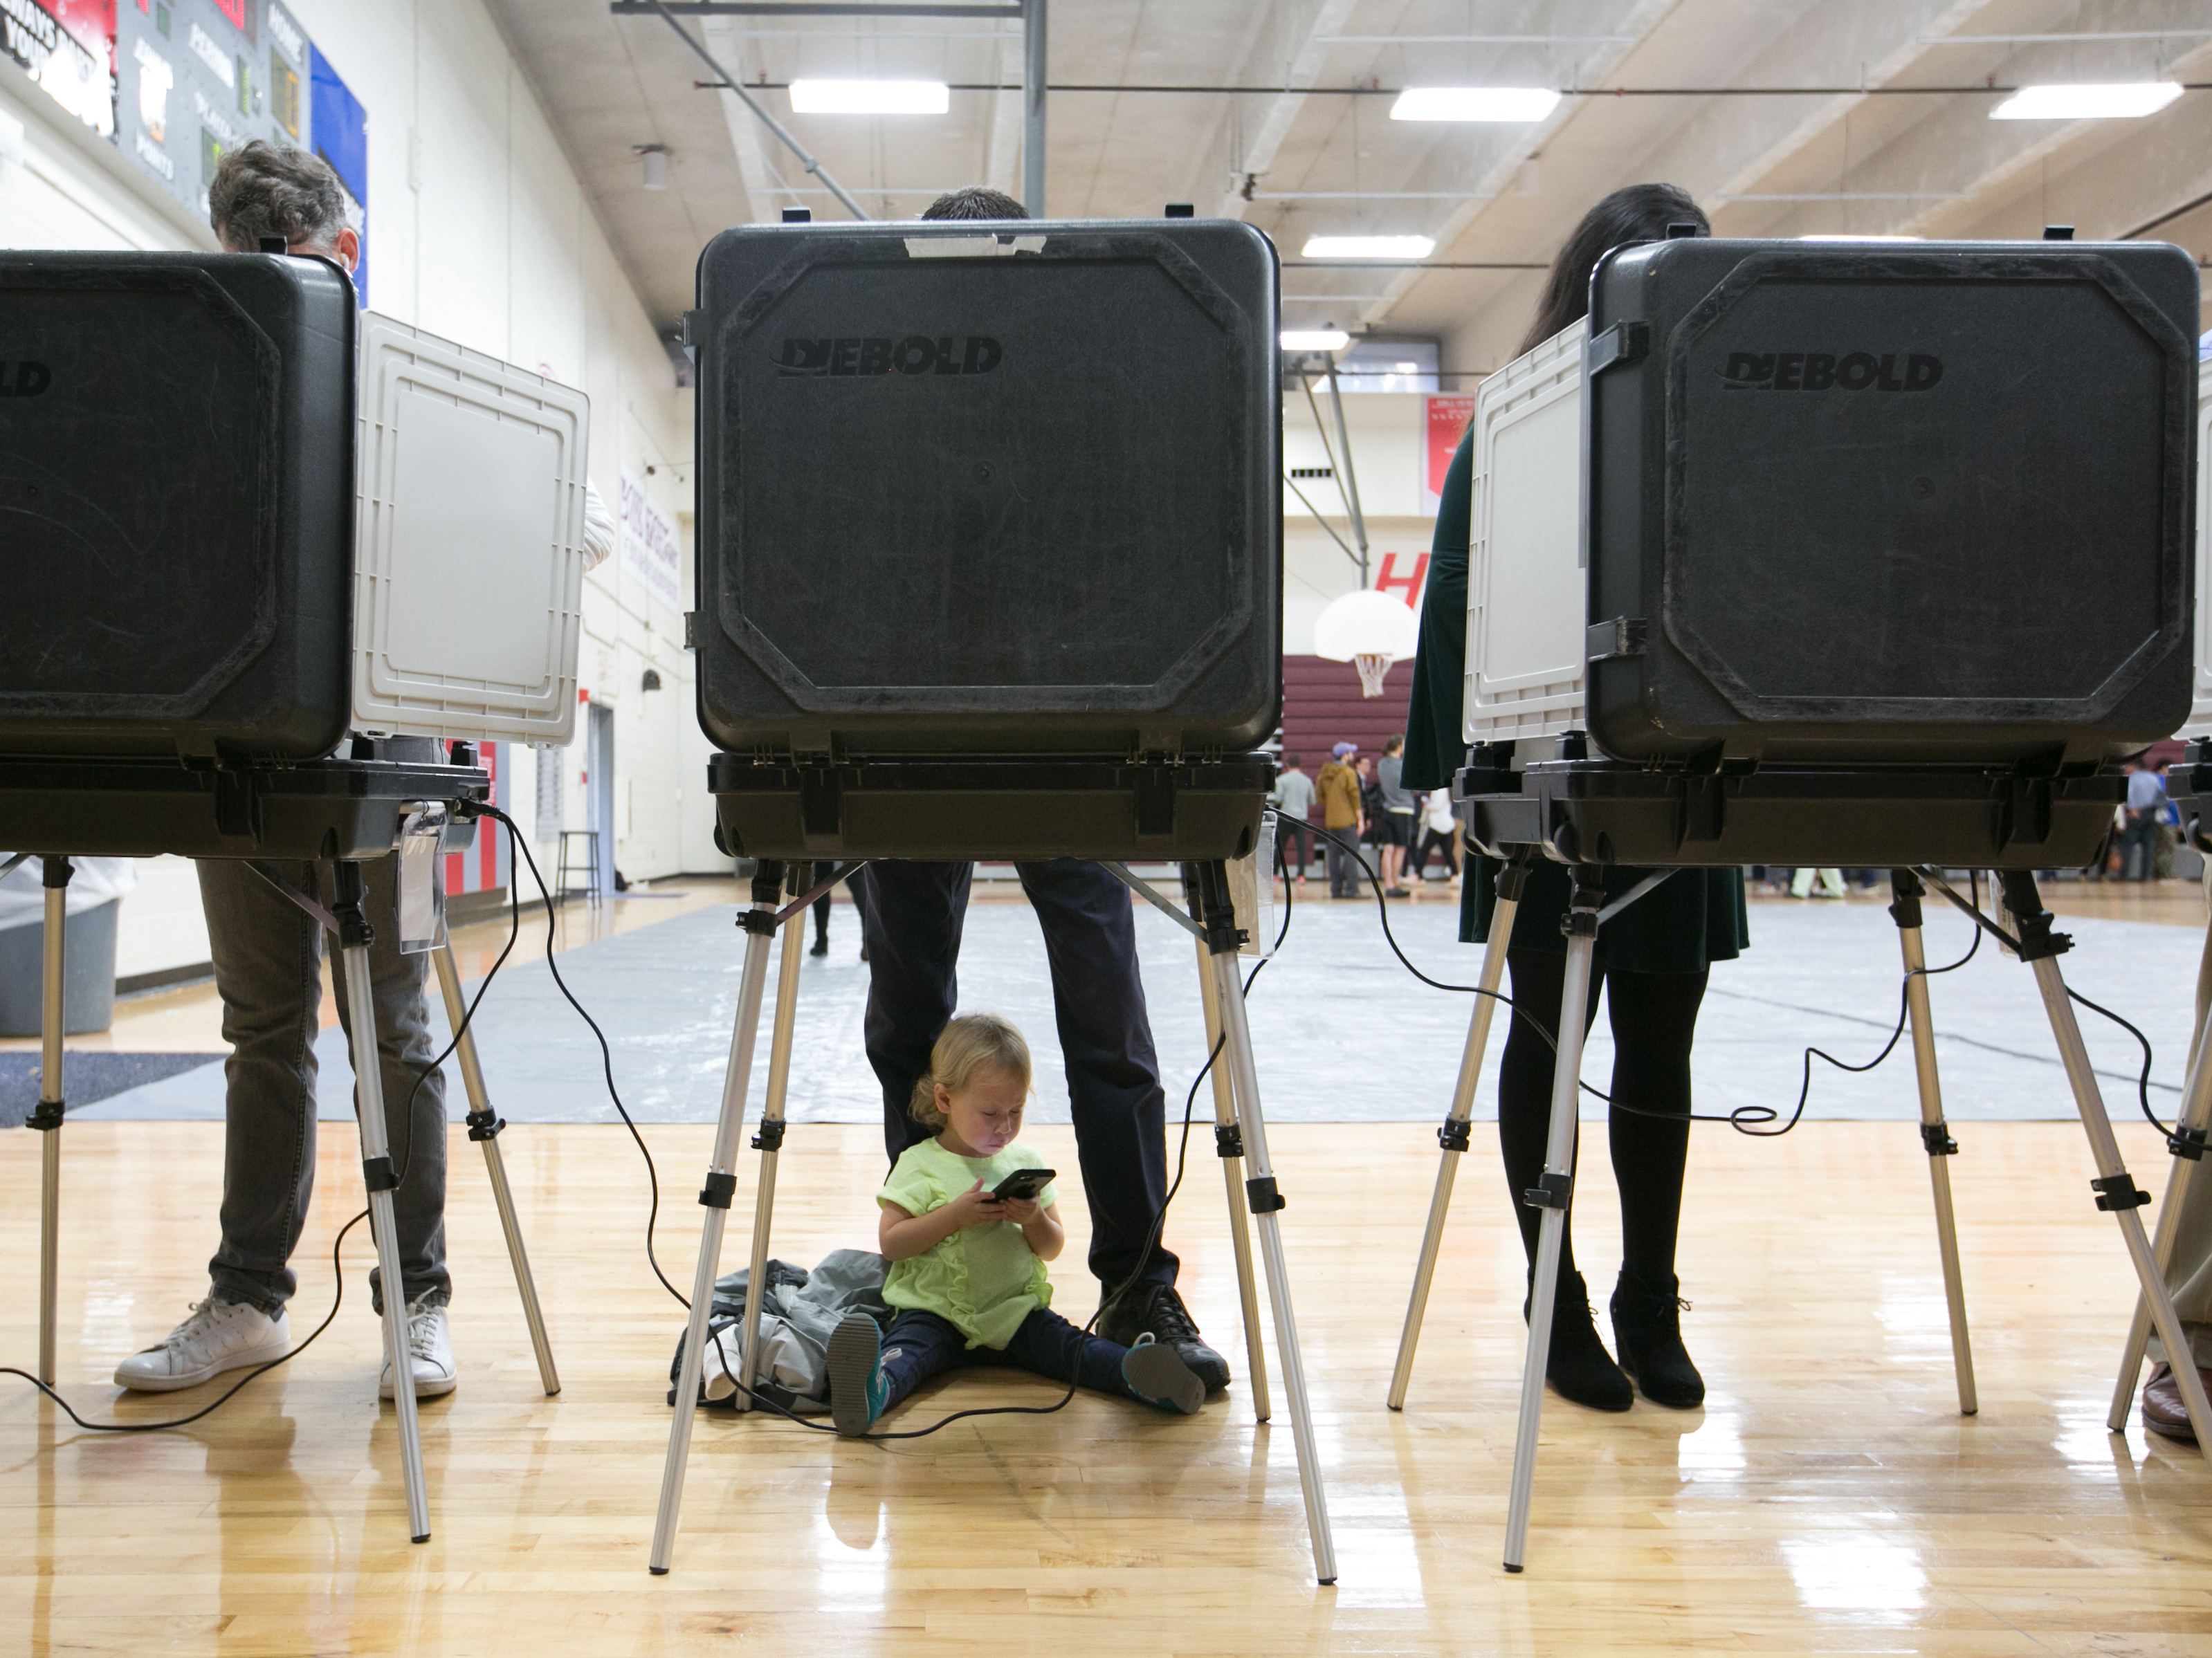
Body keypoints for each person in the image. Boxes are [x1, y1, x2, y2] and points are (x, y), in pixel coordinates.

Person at [112, 141, 617, 1400]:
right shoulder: (207, 389)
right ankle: (247, 1295)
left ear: (343, 255)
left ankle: (419, 1298)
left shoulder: (407, 380)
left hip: (384, 756)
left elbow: (573, 532)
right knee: (261, 1028)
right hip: (240, 744)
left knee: (394, 1030)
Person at [853, 183, 1227, 1394]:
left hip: (1070, 734)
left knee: (1107, 1020)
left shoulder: (1084, 395)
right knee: (908, 1019)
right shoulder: (890, 400)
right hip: (915, 737)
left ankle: (1135, 1275)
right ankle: (927, 1269)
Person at [1400, 181, 1749, 1415]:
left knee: (1661, 1045)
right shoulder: (1519, 420)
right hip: (1543, 782)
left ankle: (1646, 1299)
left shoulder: (1723, 420)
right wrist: (1461, 776)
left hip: (1686, 775)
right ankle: (1555, 1303)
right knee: (1546, 1046)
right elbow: (1453, 596)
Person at [825, 1014, 1207, 1435]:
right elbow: (892, 1244)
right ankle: (872, 1391)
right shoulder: (920, 1163)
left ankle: (1140, 1376)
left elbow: (1051, 1247)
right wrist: (954, 1215)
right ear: (945, 1100)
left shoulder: (1024, 1162)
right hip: (933, 1312)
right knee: (908, 1353)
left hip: (1016, 1312)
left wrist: (1033, 1218)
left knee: (1071, 1347)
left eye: (1016, 1111)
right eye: (989, 1113)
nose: (1004, 1127)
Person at [1317, 742, 1365, 898]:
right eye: (1351, 753)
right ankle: (1352, 889)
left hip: (1331, 821)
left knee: (1333, 856)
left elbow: (1320, 797)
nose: (1353, 756)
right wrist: (1360, 819)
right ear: (1345, 756)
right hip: (1347, 820)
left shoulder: (1324, 774)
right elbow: (1355, 797)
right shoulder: (1348, 773)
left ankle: (1336, 889)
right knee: (1351, 854)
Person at [1375, 735, 1418, 897]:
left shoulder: (1382, 764)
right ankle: (1395, 884)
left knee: (1388, 848)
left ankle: (1388, 885)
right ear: (1399, 747)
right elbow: (1414, 788)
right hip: (1404, 810)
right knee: (1400, 850)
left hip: (1388, 810)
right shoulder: (1404, 766)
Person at [1270, 753, 1317, 887]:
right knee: (1301, 847)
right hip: (1301, 817)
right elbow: (1312, 801)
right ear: (1300, 765)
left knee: (1280, 846)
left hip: (1286, 816)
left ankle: (1275, 874)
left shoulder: (1282, 780)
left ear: (1288, 765)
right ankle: (1301, 875)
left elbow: (1278, 798)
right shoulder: (1307, 780)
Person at [2123, 759, 2169, 881]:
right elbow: (2161, 796)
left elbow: (2128, 793)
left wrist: (2132, 808)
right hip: (2150, 813)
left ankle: (2124, 875)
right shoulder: (2153, 778)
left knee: (2128, 846)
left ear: (2133, 766)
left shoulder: (2132, 778)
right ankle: (2146, 876)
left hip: (2135, 813)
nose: (2126, 769)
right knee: (2149, 846)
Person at [1411, 786, 1461, 885]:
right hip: (1445, 825)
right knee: (1448, 853)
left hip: (1437, 825)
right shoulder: (1444, 789)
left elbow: (1437, 806)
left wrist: (1426, 804)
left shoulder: (1439, 789)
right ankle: (1455, 876)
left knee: (1424, 850)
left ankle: (1417, 875)